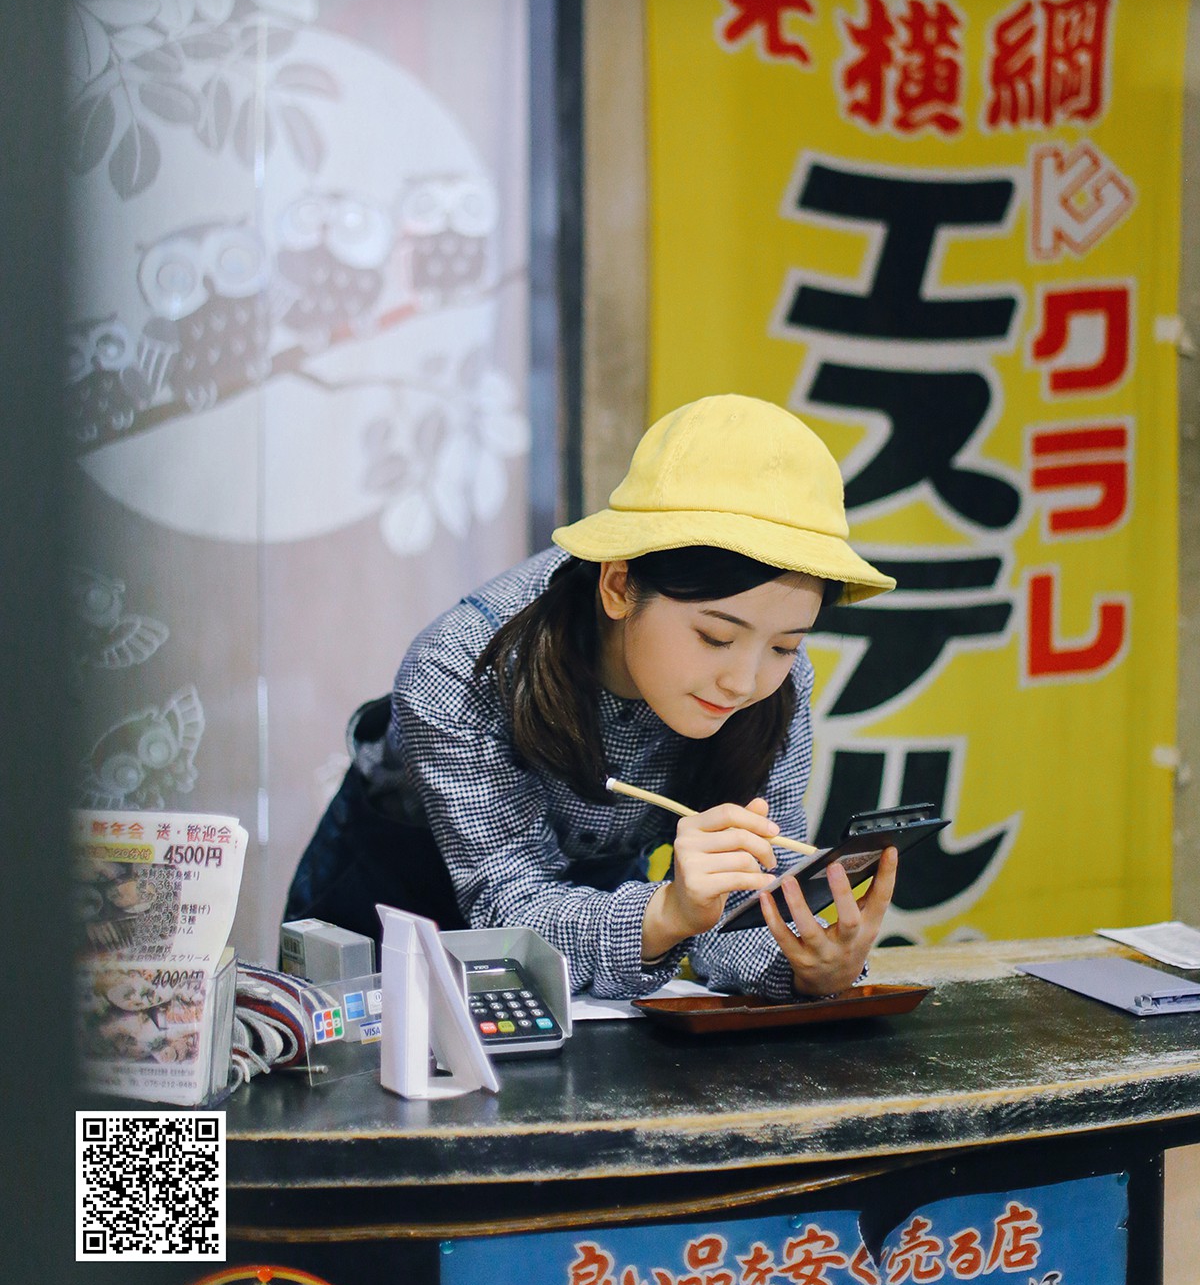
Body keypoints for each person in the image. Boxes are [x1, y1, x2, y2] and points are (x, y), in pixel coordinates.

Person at [285, 394, 898, 1001]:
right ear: (619, 584)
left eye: (785, 645)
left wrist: (807, 963)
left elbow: (743, 908)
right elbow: (509, 907)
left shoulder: (775, 684)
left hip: (597, 937)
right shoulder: (461, 667)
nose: (744, 681)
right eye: (716, 637)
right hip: (387, 926)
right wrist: (666, 914)